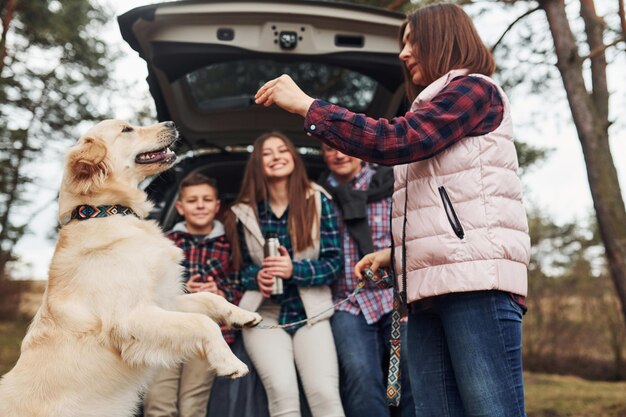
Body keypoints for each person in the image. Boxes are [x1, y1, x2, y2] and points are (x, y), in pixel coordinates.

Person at [253, 3, 531, 417]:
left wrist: (309, 107)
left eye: (411, 41)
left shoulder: (475, 90)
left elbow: (396, 141)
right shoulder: (431, 111)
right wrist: (397, 256)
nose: (403, 53)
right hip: (426, 289)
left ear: (442, 39)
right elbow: (441, 209)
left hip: (475, 283)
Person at [228, 131, 345, 417]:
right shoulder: (243, 212)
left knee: (324, 394)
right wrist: (257, 277)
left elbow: (334, 264)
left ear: (293, 156)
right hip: (264, 315)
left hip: (311, 315)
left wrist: (294, 269)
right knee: (282, 396)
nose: (277, 156)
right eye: (267, 153)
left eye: (282, 150)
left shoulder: (318, 201)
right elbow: (237, 273)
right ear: (258, 164)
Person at [317, 145, 415, 417]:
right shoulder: (318, 195)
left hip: (394, 299)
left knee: (410, 374)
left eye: (344, 147)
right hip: (346, 303)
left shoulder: (391, 183)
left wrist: (410, 294)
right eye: (329, 149)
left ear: (359, 149)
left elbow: (412, 238)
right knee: (360, 376)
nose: (338, 154)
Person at [143, 173, 242, 417]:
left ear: (217, 206)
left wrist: (221, 293)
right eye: (192, 200)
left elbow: (241, 286)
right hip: (167, 332)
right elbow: (148, 287)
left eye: (207, 200)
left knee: (193, 405)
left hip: (206, 338)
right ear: (180, 207)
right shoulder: (164, 242)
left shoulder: (231, 244)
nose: (200, 205)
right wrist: (183, 288)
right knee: (158, 402)